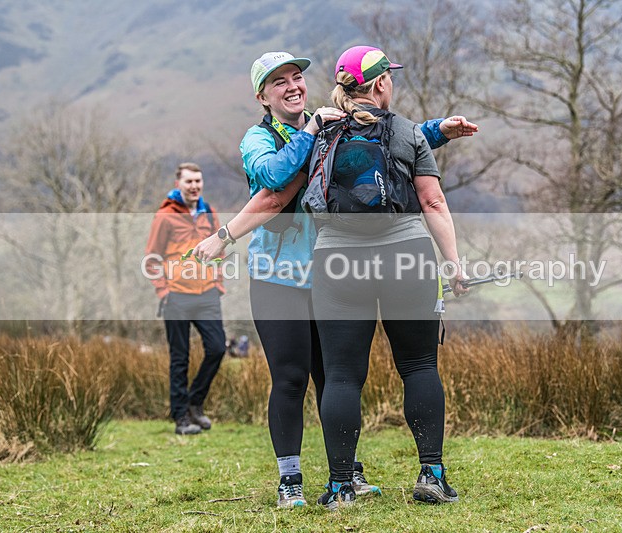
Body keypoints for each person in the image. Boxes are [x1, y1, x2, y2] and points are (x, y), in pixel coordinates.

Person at [192, 51, 477, 508]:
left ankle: (345, 479)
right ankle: (299, 481)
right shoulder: (268, 137)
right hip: (285, 275)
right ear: (261, 96)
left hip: (332, 269)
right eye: (278, 81)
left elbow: (386, 136)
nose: (292, 85)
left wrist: (438, 130)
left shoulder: (330, 127)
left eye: (297, 77)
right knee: (296, 377)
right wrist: (226, 234)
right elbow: (274, 181)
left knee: (336, 378)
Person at [308, 45, 468, 509]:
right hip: (406, 256)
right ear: (380, 83)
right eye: (389, 77)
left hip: (337, 260)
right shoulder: (404, 132)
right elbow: (433, 203)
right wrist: (454, 263)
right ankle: (432, 475)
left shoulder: (318, 133)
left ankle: (340, 486)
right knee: (418, 365)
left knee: (340, 376)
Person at [144, 162, 226, 435]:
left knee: (217, 348)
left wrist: (218, 282)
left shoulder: (209, 213)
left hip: (207, 295)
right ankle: (181, 418)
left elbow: (220, 249)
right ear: (178, 183)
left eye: (198, 181)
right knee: (179, 358)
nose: (194, 186)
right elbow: (152, 256)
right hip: (176, 296)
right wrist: (163, 290)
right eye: (189, 181)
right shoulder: (166, 215)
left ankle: (195, 403)